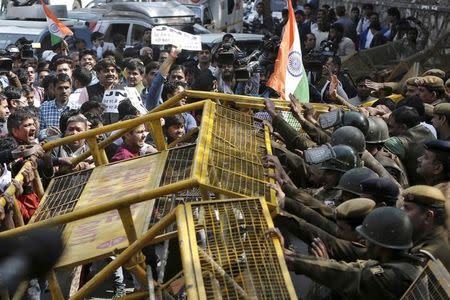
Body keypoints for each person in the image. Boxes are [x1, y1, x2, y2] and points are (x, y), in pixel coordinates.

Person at [275, 207, 422, 300]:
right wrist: (325, 263)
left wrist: (292, 259)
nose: (364, 243)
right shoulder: (400, 264)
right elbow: (356, 268)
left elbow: (350, 276)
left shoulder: (391, 277)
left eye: (368, 240)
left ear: (382, 246)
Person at [402, 185, 450, 270]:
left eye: (407, 208)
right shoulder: (435, 236)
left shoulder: (429, 253)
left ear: (428, 216)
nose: (401, 211)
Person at [385, 106, 435, 185]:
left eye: (391, 126)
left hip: (417, 189)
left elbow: (376, 142)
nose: (389, 130)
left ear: (403, 127)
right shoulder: (427, 130)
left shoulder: (397, 143)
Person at [39, 73, 72, 140]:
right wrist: (46, 132)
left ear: (71, 88)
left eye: (66, 88)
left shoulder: (77, 108)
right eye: (60, 88)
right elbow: (37, 133)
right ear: (54, 89)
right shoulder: (44, 108)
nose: (64, 91)